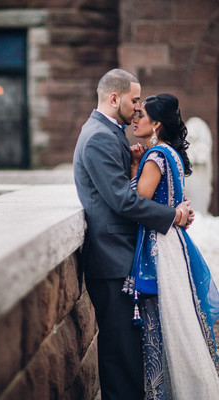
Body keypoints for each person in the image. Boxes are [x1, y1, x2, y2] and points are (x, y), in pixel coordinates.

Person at [72, 69, 193, 400]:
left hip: (122, 256)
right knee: (121, 358)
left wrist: (132, 168)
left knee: (127, 355)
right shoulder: (98, 136)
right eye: (134, 99)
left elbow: (118, 191)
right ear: (115, 98)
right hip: (113, 260)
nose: (138, 107)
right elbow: (122, 201)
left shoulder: (108, 134)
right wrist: (173, 216)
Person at [124, 93, 219, 399]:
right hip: (173, 241)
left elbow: (135, 202)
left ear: (157, 124)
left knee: (160, 326)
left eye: (143, 115)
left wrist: (136, 163)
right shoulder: (171, 155)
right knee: (178, 322)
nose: (136, 118)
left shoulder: (155, 158)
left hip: (158, 248)